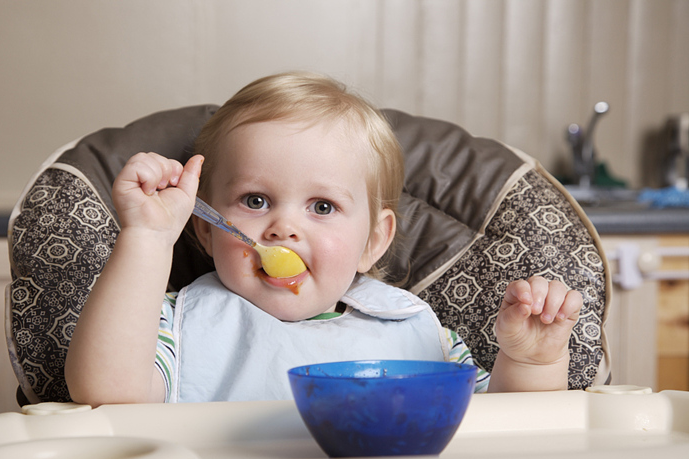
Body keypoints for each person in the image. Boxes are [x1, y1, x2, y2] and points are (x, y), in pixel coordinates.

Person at [65, 72, 582, 406]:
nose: (284, 228)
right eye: (255, 200)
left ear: (373, 241)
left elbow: (509, 435)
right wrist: (149, 237)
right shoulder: (178, 325)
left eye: (322, 207)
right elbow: (107, 393)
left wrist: (532, 363)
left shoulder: (418, 335)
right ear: (203, 227)